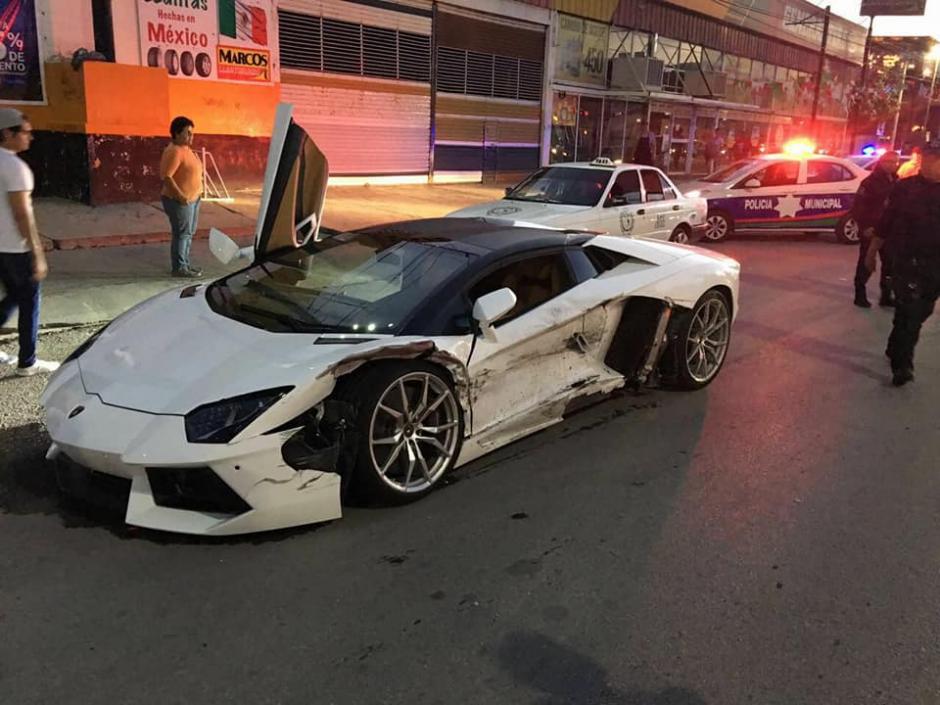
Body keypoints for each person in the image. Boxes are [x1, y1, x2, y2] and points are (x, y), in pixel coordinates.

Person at [867, 138, 940, 386]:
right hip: (907, 260)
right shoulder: (905, 187)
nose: (930, 164)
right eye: (927, 159)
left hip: (935, 265)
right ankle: (902, 365)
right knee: (910, 311)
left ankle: (895, 345)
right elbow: (886, 219)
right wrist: (871, 252)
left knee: (920, 311)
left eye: (935, 159)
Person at [0, 108, 58, 376]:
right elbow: (22, 214)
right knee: (29, 302)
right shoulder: (15, 168)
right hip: (16, 248)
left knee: (13, 296)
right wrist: (37, 252)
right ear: (7, 134)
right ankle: (28, 361)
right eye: (25, 132)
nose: (30, 137)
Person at [852, 150, 899, 308]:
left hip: (889, 230)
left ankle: (886, 296)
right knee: (866, 263)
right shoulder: (869, 182)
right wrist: (865, 226)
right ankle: (860, 294)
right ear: (881, 162)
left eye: (894, 162)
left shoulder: (896, 181)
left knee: (889, 265)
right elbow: (858, 207)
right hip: (871, 229)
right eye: (888, 161)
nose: (891, 165)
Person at [160, 116, 203, 278]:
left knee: (188, 233)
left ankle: (185, 264)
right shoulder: (174, 151)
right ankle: (179, 267)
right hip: (180, 200)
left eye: (192, 133)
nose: (191, 137)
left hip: (193, 199)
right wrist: (180, 196)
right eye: (188, 133)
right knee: (182, 234)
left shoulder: (186, 149)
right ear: (177, 134)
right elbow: (167, 177)